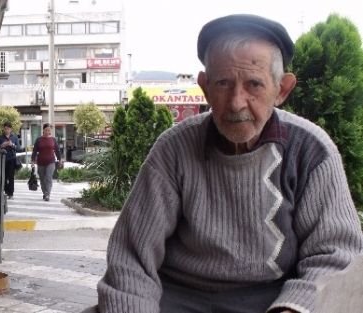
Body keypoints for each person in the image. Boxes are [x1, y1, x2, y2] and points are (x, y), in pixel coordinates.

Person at [95, 14, 363, 313]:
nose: (236, 102)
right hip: (178, 297)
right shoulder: (174, 149)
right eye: (223, 83)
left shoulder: (311, 150)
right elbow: (131, 258)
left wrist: (293, 308)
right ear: (205, 87)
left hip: (273, 300)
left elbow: (337, 256)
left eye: (254, 84)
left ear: (282, 90)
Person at [31, 123, 62, 201]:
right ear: (43, 130)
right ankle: (44, 192)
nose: (47, 131)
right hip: (41, 162)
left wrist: (59, 159)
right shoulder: (39, 140)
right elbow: (34, 151)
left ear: (51, 131)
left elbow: (57, 150)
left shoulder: (53, 140)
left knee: (48, 177)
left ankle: (47, 194)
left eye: (49, 130)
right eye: (46, 130)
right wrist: (33, 161)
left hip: (51, 161)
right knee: (42, 178)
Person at [0, 121, 20, 199]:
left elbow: (18, 148)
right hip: (2, 159)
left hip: (11, 159)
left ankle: (10, 193)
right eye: (5, 129)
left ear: (10, 129)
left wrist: (12, 145)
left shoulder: (14, 137)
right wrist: (2, 145)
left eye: (8, 129)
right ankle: (4, 191)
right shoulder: (0, 137)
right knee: (3, 176)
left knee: (11, 177)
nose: (6, 130)